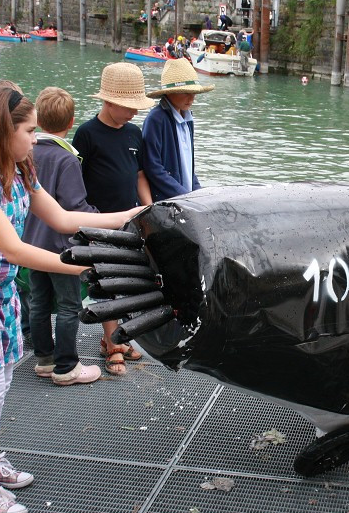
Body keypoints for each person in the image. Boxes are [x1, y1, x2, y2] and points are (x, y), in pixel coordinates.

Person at [0, 86, 143, 513]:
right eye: (28, 131)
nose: (35, 138)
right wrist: (86, 267)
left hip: (0, 291)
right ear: (0, 131)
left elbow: (64, 219)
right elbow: (16, 250)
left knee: (1, 383)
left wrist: (130, 217)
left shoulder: (19, 168)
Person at [73, 63, 154, 376]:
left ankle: (118, 337)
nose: (134, 113)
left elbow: (139, 174)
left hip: (129, 220)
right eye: (129, 106)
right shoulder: (87, 134)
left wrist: (148, 209)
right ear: (108, 102)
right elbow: (76, 181)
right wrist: (86, 221)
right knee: (105, 284)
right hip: (98, 221)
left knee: (129, 282)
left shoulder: (134, 133)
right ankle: (112, 341)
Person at [22, 87, 102, 387]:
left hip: (31, 244)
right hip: (61, 249)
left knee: (39, 301)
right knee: (70, 306)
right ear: (71, 122)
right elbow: (75, 206)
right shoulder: (67, 159)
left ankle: (44, 359)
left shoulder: (27, 152)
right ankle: (66, 366)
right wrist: (99, 217)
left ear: (39, 120)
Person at [141, 59, 215, 205]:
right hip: (167, 202)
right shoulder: (156, 119)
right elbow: (153, 167)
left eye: (193, 92)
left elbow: (189, 165)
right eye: (186, 92)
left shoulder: (188, 118)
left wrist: (199, 193)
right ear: (170, 93)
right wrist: (184, 196)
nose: (192, 97)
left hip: (185, 199)